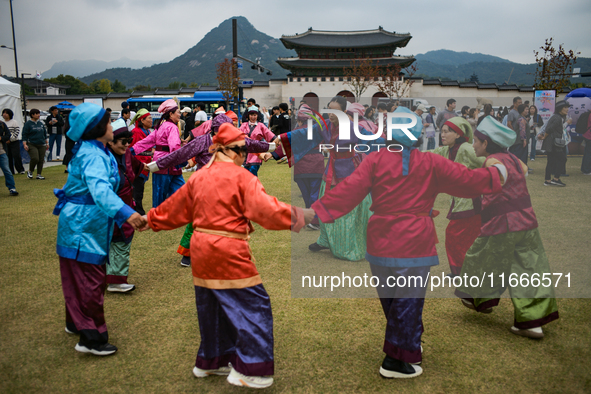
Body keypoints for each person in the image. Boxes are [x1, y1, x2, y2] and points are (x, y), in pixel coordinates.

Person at [310, 107, 506, 378]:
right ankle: (396, 360)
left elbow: (347, 192)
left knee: (393, 301)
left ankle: (409, 344)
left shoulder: (375, 160)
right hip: (415, 241)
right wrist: (498, 173)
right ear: (416, 136)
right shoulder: (431, 162)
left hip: (380, 241)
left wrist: (313, 212)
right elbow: (469, 181)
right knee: (407, 301)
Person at [142, 123, 314, 388]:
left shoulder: (199, 177)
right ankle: (252, 369)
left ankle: (212, 361)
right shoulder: (242, 177)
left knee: (212, 306)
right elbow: (267, 211)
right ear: (232, 150)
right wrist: (300, 215)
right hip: (228, 249)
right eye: (244, 149)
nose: (245, 155)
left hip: (201, 249)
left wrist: (149, 219)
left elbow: (174, 209)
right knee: (253, 305)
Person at [53, 103, 146, 356]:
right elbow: (101, 191)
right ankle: (91, 337)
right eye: (107, 122)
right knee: (91, 280)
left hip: (82, 223)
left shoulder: (96, 149)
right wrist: (128, 214)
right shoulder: (94, 154)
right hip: (83, 225)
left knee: (77, 275)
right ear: (95, 128)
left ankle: (75, 322)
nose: (111, 126)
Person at [456, 116, 559, 339]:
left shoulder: (492, 161)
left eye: (477, 141)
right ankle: (531, 322)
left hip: (502, 222)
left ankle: (476, 298)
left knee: (480, 257)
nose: (473, 145)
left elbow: (495, 176)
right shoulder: (512, 158)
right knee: (528, 269)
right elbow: (524, 171)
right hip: (527, 221)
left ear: (486, 144)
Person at [279, 96, 384, 261]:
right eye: (329, 110)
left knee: (349, 213)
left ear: (343, 112)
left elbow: (372, 140)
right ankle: (325, 240)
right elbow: (305, 134)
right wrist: (284, 138)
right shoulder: (325, 125)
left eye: (335, 111)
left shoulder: (352, 127)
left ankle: (349, 245)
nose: (331, 114)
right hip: (331, 171)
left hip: (351, 172)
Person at [427, 117, 484, 277]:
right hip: (459, 201)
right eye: (442, 131)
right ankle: (464, 271)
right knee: (464, 239)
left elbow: (487, 162)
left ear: (458, 134)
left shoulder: (466, 148)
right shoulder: (445, 151)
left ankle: (463, 272)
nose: (442, 135)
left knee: (455, 236)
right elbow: (428, 155)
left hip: (472, 202)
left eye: (446, 132)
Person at [106, 119, 145, 293]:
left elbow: (139, 168)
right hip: (107, 208)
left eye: (129, 141)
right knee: (107, 241)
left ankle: (116, 279)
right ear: (110, 141)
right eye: (123, 142)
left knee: (122, 241)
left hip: (125, 206)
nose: (127, 145)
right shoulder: (101, 158)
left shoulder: (127, 154)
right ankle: (112, 279)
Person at [130, 99, 185, 207]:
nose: (180, 114)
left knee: (159, 196)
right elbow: (174, 147)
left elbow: (146, 142)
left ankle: (158, 219)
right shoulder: (172, 127)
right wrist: (181, 160)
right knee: (183, 194)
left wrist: (131, 151)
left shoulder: (160, 127)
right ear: (171, 114)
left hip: (160, 164)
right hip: (169, 164)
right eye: (178, 112)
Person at [239, 106, 278, 176]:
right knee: (245, 174)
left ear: (257, 116)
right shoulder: (243, 126)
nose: (253, 117)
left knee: (253, 171)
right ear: (248, 115)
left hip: (256, 154)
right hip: (244, 154)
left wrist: (277, 144)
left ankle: (254, 186)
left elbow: (271, 136)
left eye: (255, 115)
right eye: (251, 115)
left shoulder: (261, 126)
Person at [129, 109, 153, 215]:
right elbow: (131, 150)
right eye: (149, 118)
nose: (152, 120)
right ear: (142, 120)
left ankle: (138, 209)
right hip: (138, 165)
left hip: (146, 164)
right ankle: (138, 211)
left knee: (140, 188)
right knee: (137, 190)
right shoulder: (135, 132)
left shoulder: (149, 132)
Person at [542, 100, 569, 187]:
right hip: (553, 143)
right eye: (565, 107)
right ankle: (555, 179)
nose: (567, 109)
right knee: (562, 159)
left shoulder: (558, 117)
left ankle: (548, 180)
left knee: (551, 161)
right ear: (560, 109)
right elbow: (549, 129)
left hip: (552, 143)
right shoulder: (557, 118)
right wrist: (544, 137)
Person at [22, 109, 48, 180]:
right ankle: (30, 171)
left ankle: (39, 174)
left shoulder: (41, 123)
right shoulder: (28, 124)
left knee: (41, 160)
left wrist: (46, 142)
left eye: (39, 114)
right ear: (32, 115)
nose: (38, 115)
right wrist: (24, 144)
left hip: (42, 143)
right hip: (32, 143)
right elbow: (24, 134)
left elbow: (44, 134)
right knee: (35, 158)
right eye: (36, 114)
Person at [1, 108, 25, 174]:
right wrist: (5, 139)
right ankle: (11, 171)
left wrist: (10, 140)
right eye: (3, 113)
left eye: (6, 113)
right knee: (8, 157)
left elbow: (16, 131)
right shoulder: (2, 123)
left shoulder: (14, 122)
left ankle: (20, 169)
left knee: (16, 155)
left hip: (14, 141)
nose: (4, 114)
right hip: (5, 142)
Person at [0, 121, 19, 195]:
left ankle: (12, 188)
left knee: (7, 170)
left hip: (1, 152)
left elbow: (8, 135)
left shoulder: (1, 124)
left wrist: (1, 138)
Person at [576, 110, 591, 174]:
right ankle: (587, 170)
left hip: (586, 135)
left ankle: (584, 169)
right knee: (589, 154)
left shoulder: (588, 113)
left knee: (587, 153)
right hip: (589, 136)